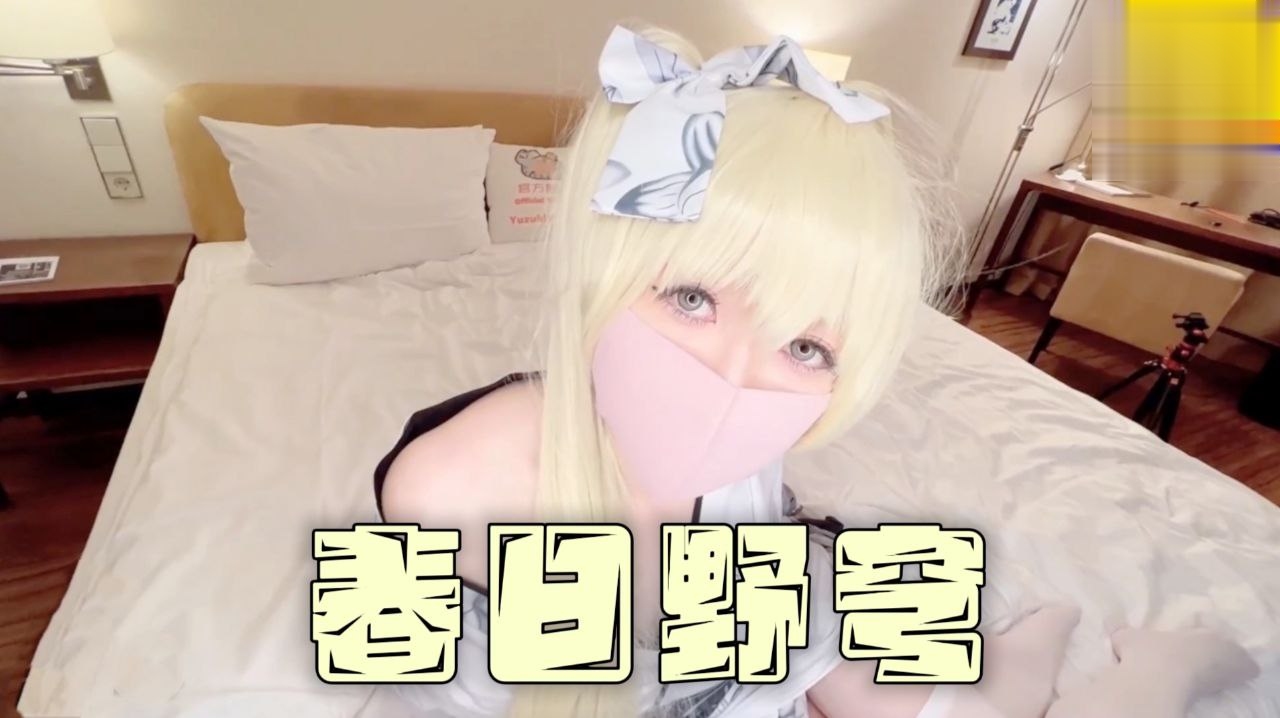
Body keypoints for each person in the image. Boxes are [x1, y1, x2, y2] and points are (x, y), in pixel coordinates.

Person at [373, 23, 1259, 718]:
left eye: (805, 347)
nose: (735, 381)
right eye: (691, 297)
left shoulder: (745, 456)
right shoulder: (452, 490)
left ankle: (1122, 659)